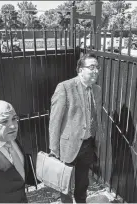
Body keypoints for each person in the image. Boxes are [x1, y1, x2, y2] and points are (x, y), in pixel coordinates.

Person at [49, 53, 105, 203]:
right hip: (68, 145)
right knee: (64, 184)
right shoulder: (65, 88)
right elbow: (55, 121)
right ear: (80, 70)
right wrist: (54, 149)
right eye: (91, 67)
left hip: (87, 145)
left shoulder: (97, 90)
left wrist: (97, 140)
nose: (96, 71)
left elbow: (96, 116)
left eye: (97, 67)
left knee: (82, 183)